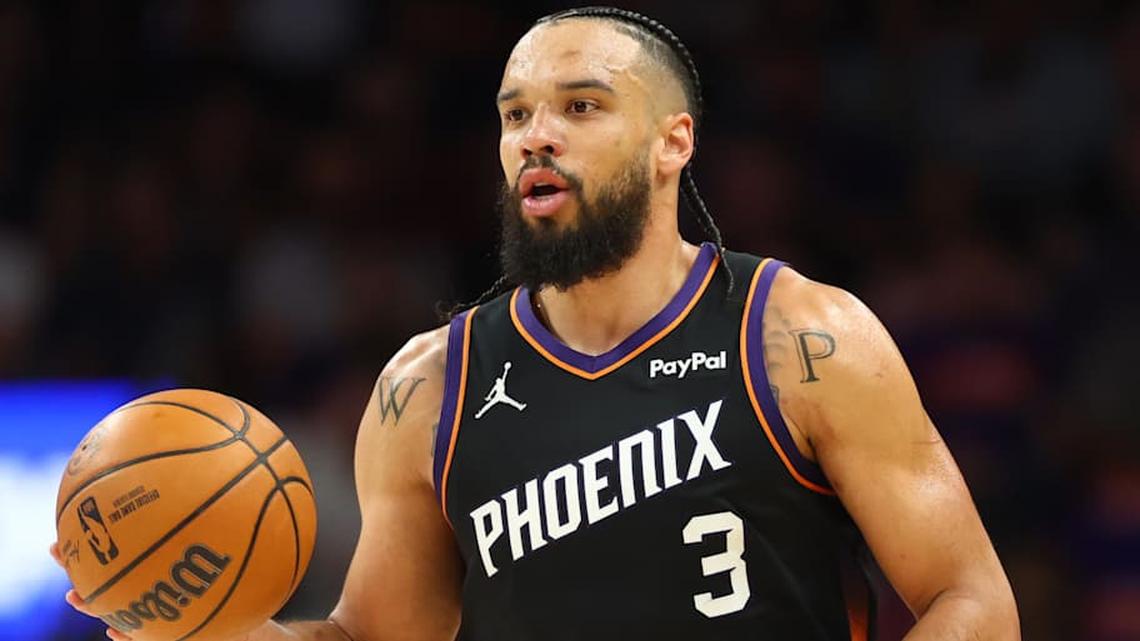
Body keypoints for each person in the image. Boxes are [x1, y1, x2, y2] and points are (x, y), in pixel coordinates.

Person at [54, 6, 1020, 641]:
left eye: (581, 106)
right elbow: (371, 636)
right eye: (515, 115)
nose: (537, 136)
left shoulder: (800, 338)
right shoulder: (429, 388)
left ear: (673, 142)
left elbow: (970, 598)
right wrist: (190, 621)